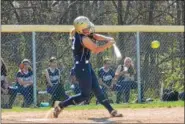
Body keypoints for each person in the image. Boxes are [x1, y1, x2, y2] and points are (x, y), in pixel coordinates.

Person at [52, 16, 122, 118]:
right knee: (85, 95)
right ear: (81, 29)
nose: (89, 30)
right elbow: (96, 50)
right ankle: (61, 105)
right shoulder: (83, 38)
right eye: (86, 28)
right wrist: (108, 44)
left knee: (98, 90)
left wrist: (108, 38)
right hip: (81, 68)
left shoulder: (80, 33)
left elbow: (95, 36)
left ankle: (112, 111)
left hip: (86, 65)